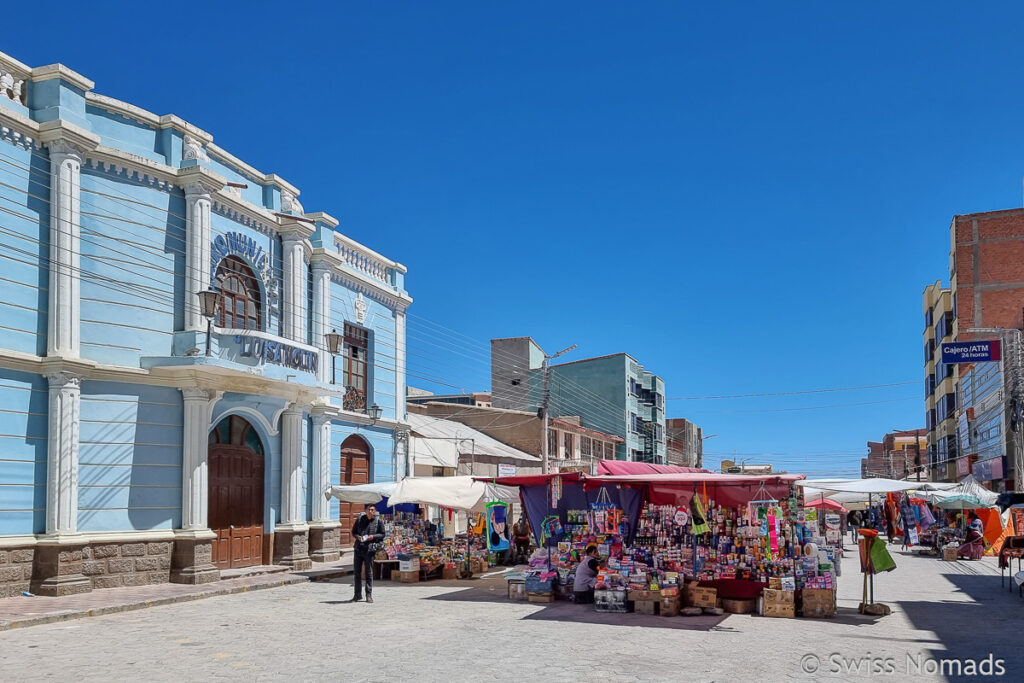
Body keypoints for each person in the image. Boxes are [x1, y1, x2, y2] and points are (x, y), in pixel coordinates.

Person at [350, 503, 386, 603]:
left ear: (375, 512)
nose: (370, 512)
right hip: (358, 549)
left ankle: (368, 595)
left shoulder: (378, 522)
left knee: (369, 573)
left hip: (369, 550)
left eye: (372, 510)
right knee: (357, 573)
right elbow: (354, 532)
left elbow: (383, 534)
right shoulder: (360, 520)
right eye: (368, 510)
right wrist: (358, 537)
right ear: (365, 511)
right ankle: (357, 595)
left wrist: (373, 537)